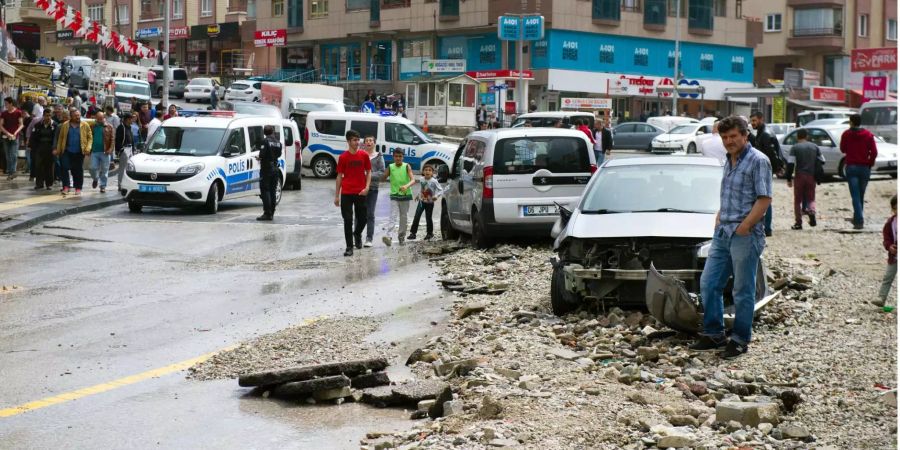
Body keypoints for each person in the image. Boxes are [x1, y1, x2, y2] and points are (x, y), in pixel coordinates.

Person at [690, 116, 772, 359]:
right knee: (709, 283)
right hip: (723, 232)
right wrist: (719, 216)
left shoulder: (758, 161)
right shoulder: (728, 159)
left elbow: (764, 199)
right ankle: (714, 333)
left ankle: (739, 339)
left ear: (745, 135)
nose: (729, 141)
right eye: (725, 137)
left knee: (742, 290)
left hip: (745, 235)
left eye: (734, 136)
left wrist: (745, 226)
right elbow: (731, 193)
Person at [334, 129, 372, 256]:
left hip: (361, 191)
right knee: (348, 220)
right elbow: (339, 176)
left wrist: (367, 187)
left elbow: (369, 171)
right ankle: (349, 247)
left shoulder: (364, 155)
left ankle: (357, 233)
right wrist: (336, 196)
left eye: (358, 139)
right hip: (346, 193)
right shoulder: (343, 157)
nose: (357, 142)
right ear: (348, 141)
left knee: (363, 218)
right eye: (355, 140)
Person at [749, 111, 785, 237]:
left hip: (765, 170)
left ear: (761, 119)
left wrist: (778, 168)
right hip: (764, 169)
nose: (752, 123)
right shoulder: (761, 133)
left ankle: (767, 228)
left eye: (754, 121)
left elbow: (772, 153)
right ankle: (764, 227)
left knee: (764, 198)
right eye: (751, 121)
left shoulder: (764, 133)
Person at [840, 113, 878, 230]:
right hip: (864, 168)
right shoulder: (868, 135)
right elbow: (874, 152)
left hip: (851, 167)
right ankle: (857, 219)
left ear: (851, 122)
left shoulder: (846, 134)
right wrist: (869, 163)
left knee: (855, 195)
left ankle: (859, 220)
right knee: (860, 195)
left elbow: (842, 149)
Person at [785, 129, 822, 230]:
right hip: (811, 176)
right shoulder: (815, 147)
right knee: (811, 198)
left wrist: (788, 178)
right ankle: (812, 211)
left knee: (798, 200)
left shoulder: (795, 147)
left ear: (798, 137)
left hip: (800, 176)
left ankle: (798, 223)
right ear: (807, 136)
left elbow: (791, 163)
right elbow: (822, 160)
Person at [55, 108, 93, 196]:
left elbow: (90, 137)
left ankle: (78, 187)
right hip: (66, 151)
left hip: (79, 151)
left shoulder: (85, 125)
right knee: (64, 168)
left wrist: (88, 148)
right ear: (71, 116)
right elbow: (61, 138)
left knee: (77, 170)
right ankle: (66, 186)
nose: (78, 117)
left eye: (79, 115)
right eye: (76, 116)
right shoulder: (65, 125)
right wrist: (58, 149)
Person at [382, 148, 414, 247]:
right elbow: (382, 178)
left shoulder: (406, 166)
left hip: (405, 195)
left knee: (403, 218)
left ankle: (401, 237)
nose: (398, 158)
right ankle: (389, 237)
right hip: (394, 195)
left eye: (400, 156)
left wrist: (406, 186)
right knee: (393, 216)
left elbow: (413, 180)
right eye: (396, 156)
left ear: (403, 157)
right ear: (393, 157)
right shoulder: (390, 167)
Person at [407, 164, 444, 241]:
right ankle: (413, 233)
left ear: (432, 173)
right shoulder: (421, 179)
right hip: (421, 201)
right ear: (423, 172)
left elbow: (441, 190)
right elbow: (422, 188)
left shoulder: (434, 181)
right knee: (417, 216)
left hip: (430, 203)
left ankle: (429, 233)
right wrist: (418, 195)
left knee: (428, 218)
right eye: (426, 170)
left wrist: (436, 196)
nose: (427, 171)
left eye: (429, 170)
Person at [874, 195, 898, 307]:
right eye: (895, 208)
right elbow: (886, 238)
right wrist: (889, 247)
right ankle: (881, 298)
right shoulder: (890, 223)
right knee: (888, 277)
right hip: (894, 256)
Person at [362, 134, 385, 247]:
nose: (369, 142)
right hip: (360, 188)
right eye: (367, 140)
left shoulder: (379, 156)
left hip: (373, 188)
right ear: (364, 143)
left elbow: (382, 173)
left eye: (371, 140)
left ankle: (369, 238)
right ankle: (357, 236)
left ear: (374, 143)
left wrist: (368, 175)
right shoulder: (360, 155)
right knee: (359, 213)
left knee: (370, 214)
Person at [256, 125, 282, 221]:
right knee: (272, 190)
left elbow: (262, 154)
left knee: (265, 190)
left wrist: (259, 157)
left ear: (264, 132)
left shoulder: (265, 141)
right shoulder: (278, 142)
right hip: (275, 167)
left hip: (266, 169)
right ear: (272, 132)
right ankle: (272, 212)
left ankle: (267, 213)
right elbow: (279, 154)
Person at [30, 109, 56, 191]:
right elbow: (33, 137)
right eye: (46, 115)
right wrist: (33, 148)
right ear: (43, 116)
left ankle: (49, 184)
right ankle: (39, 184)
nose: (47, 117)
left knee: (49, 167)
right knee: (38, 166)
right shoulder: (37, 125)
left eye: (49, 116)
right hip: (40, 147)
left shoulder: (55, 125)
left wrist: (55, 148)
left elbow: (56, 138)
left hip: (50, 148)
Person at [88, 112, 114, 193]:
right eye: (98, 119)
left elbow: (112, 139)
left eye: (101, 118)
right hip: (94, 151)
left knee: (104, 170)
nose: (99, 120)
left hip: (105, 152)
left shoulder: (109, 127)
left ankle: (103, 186)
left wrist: (110, 149)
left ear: (104, 118)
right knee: (92, 168)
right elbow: (89, 137)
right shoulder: (92, 126)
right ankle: (95, 178)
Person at [1, 97, 24, 180]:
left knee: (13, 154)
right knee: (8, 155)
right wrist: (7, 133)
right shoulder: (4, 113)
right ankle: (11, 172)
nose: (5, 105)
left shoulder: (18, 112)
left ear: (11, 103)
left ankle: (12, 172)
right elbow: (1, 125)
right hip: (5, 136)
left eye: (6, 103)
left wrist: (15, 133)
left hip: (15, 137)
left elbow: (21, 124)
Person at [115, 113, 135, 191]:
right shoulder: (121, 127)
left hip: (130, 149)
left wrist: (133, 149)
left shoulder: (129, 127)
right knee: (122, 168)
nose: (132, 120)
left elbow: (131, 138)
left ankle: (127, 183)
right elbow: (118, 140)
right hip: (125, 149)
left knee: (129, 168)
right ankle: (120, 184)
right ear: (127, 119)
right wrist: (121, 150)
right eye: (131, 119)